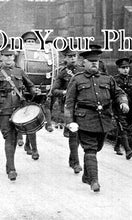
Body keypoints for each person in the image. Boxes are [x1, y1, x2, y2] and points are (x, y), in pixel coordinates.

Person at [64, 48, 129, 192]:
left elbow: (119, 93)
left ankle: (87, 176)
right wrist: (70, 123)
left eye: (96, 61)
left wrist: (123, 102)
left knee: (97, 147)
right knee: (90, 149)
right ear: (84, 63)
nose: (94, 64)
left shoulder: (107, 79)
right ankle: (94, 181)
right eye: (91, 62)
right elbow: (69, 102)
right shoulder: (77, 79)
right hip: (84, 120)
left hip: (103, 120)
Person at [0, 47, 41, 181]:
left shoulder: (19, 71)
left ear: (14, 57)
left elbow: (30, 86)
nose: (9, 59)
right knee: (9, 138)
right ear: (1, 57)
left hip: (19, 110)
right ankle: (12, 169)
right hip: (4, 110)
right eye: (6, 56)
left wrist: (35, 91)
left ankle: (9, 164)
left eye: (11, 56)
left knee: (15, 138)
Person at [51, 45, 84, 174]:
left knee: (80, 136)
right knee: (73, 134)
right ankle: (76, 163)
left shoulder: (82, 70)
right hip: (69, 107)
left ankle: (72, 159)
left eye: (74, 56)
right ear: (65, 58)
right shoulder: (63, 72)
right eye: (70, 56)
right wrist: (65, 92)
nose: (72, 58)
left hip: (82, 106)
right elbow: (54, 90)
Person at [113, 57, 132, 159]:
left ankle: (117, 145)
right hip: (118, 106)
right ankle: (128, 150)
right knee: (122, 126)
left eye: (127, 67)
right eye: (123, 68)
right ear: (118, 69)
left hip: (130, 105)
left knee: (127, 125)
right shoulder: (114, 80)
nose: (125, 70)